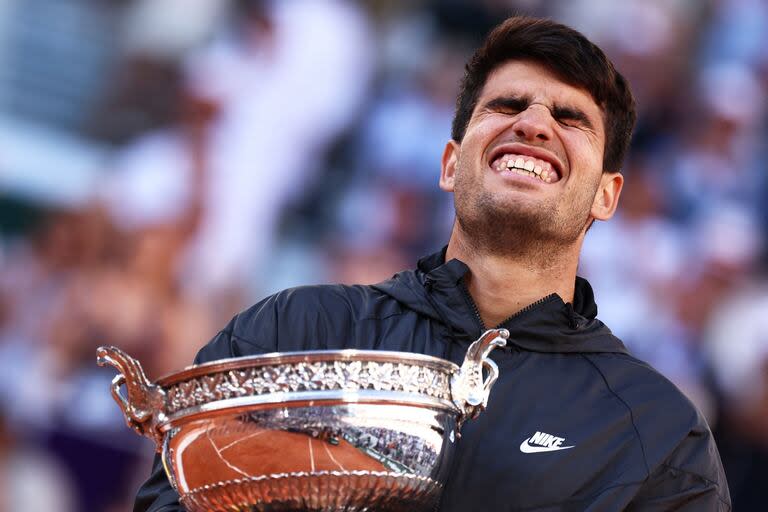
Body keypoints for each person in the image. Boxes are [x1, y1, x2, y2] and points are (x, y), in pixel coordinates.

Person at [134, 16, 731, 511]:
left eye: (570, 119)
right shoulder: (293, 330)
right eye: (507, 105)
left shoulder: (655, 435)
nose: (533, 123)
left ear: (607, 195)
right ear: (449, 164)